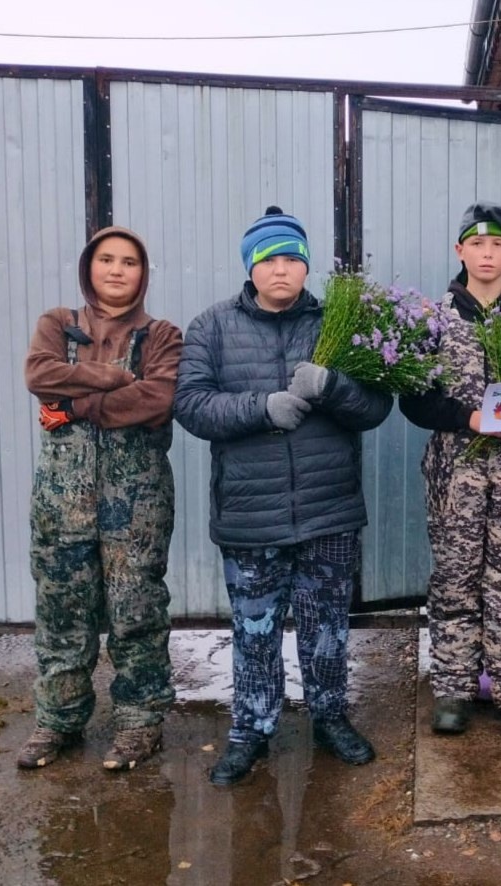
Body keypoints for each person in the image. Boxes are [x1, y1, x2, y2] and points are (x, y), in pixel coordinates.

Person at [175, 206, 393, 785]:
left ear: (306, 266)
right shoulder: (212, 327)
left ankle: (330, 717)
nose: (282, 269)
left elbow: (375, 408)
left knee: (327, 629)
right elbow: (191, 405)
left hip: (329, 511)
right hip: (252, 516)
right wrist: (261, 407)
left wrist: (333, 386)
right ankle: (252, 728)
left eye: (293, 258)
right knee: (254, 632)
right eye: (270, 259)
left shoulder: (338, 324)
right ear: (250, 266)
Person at [19, 226, 181, 772]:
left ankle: (139, 721)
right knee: (61, 609)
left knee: (136, 610)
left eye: (129, 262)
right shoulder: (56, 324)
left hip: (137, 504)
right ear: (89, 266)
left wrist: (76, 402)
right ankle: (58, 720)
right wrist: (111, 377)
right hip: (62, 501)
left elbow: (157, 399)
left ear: (143, 272)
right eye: (106, 259)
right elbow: (40, 375)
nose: (116, 270)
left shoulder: (162, 335)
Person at [398, 202, 501, 742]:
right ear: (459, 250)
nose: (487, 254)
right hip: (455, 475)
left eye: (497, 246)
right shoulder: (432, 319)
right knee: (455, 578)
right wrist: (465, 417)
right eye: (476, 244)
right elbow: (413, 400)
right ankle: (453, 687)